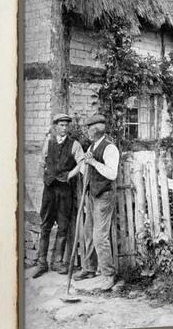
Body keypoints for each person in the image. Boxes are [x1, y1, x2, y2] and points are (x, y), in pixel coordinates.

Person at [32, 113, 84, 278]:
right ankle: (42, 262)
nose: (64, 128)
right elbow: (42, 162)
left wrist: (70, 175)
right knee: (45, 225)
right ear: (55, 126)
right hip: (49, 190)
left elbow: (82, 162)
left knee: (63, 226)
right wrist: (44, 178)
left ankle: (57, 262)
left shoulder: (74, 145)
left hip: (64, 191)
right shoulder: (48, 142)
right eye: (61, 125)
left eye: (66, 125)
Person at [73, 114, 120, 291]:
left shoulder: (110, 149)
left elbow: (111, 174)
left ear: (95, 130)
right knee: (87, 232)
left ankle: (108, 274)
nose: (86, 131)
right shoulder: (92, 146)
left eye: (88, 128)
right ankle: (90, 269)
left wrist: (93, 162)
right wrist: (85, 163)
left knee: (100, 236)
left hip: (104, 196)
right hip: (92, 195)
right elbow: (87, 172)